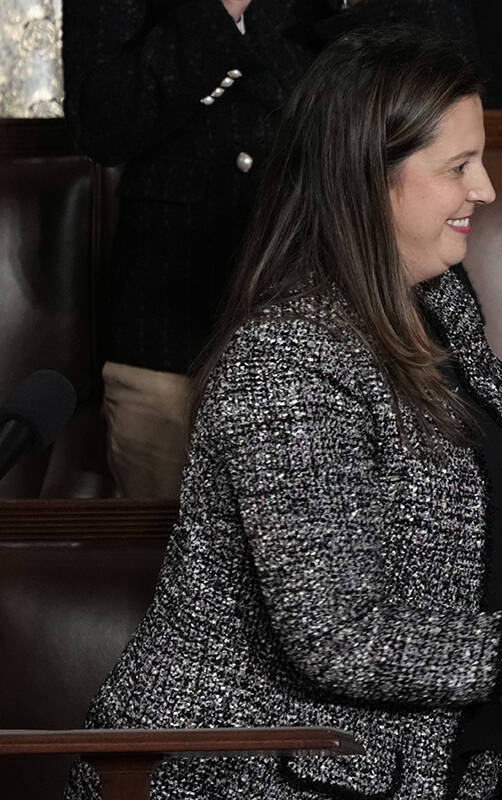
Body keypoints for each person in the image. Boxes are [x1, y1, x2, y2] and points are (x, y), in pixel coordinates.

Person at [65, 25, 502, 800]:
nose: (484, 188)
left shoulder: (436, 302)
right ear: (367, 178)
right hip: (258, 773)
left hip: (416, 765)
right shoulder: (287, 360)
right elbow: (338, 638)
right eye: (459, 166)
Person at [62, 0, 479, 499]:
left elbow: (447, 86)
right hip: (178, 333)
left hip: (383, 323)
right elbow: (101, 123)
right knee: (191, 569)